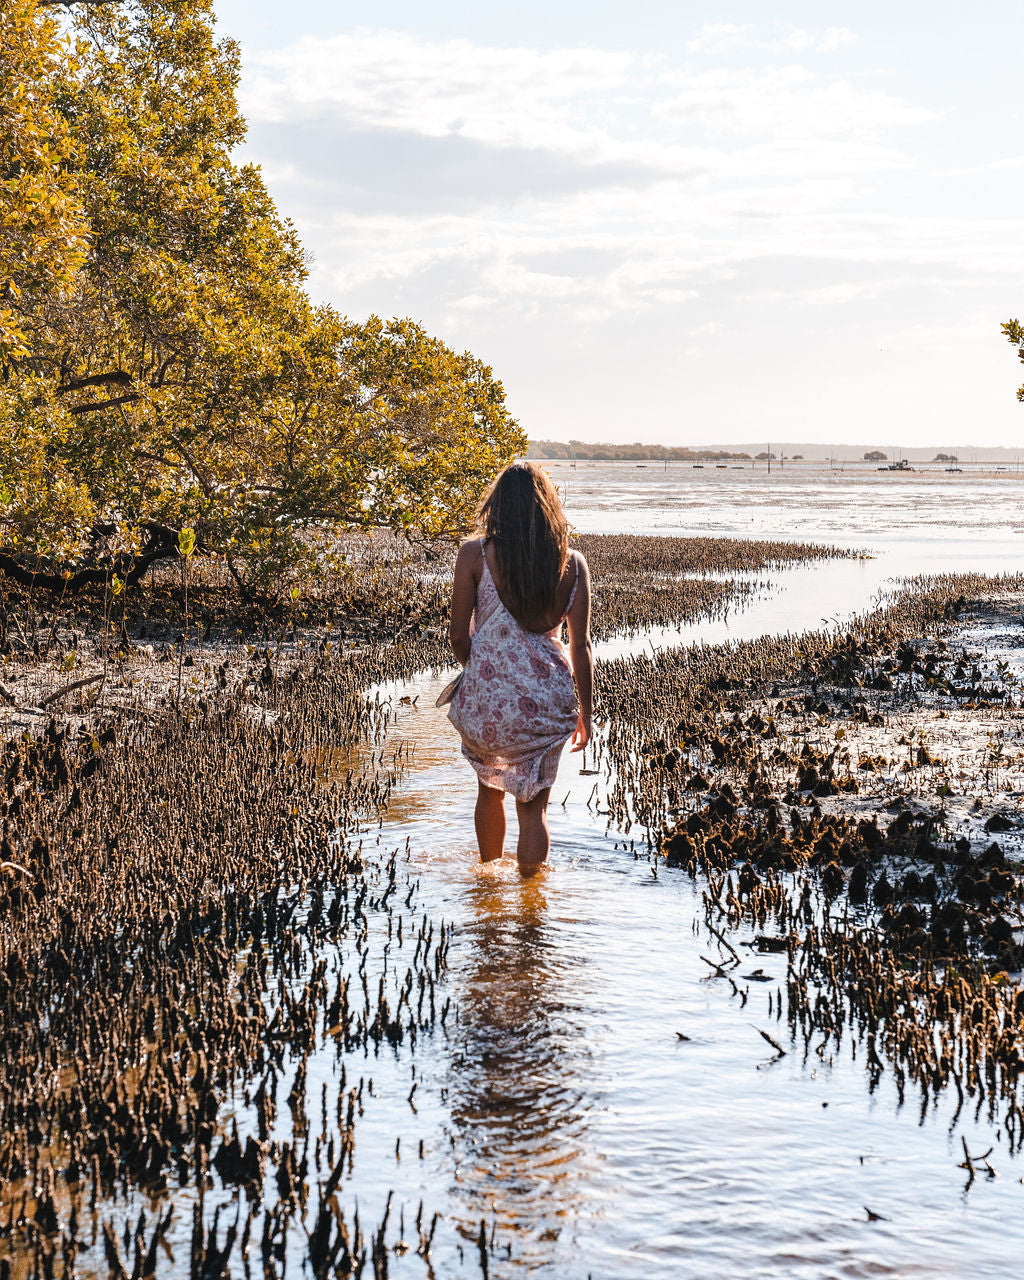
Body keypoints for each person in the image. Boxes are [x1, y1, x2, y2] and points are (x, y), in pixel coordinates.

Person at [446, 461, 593, 875]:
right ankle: (532, 909)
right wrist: (587, 712)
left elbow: (459, 637)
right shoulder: (573, 564)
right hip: (548, 703)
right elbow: (579, 647)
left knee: (489, 792)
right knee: (533, 811)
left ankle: (489, 889)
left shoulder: (474, 554)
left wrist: (481, 676)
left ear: (498, 505)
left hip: (489, 703)